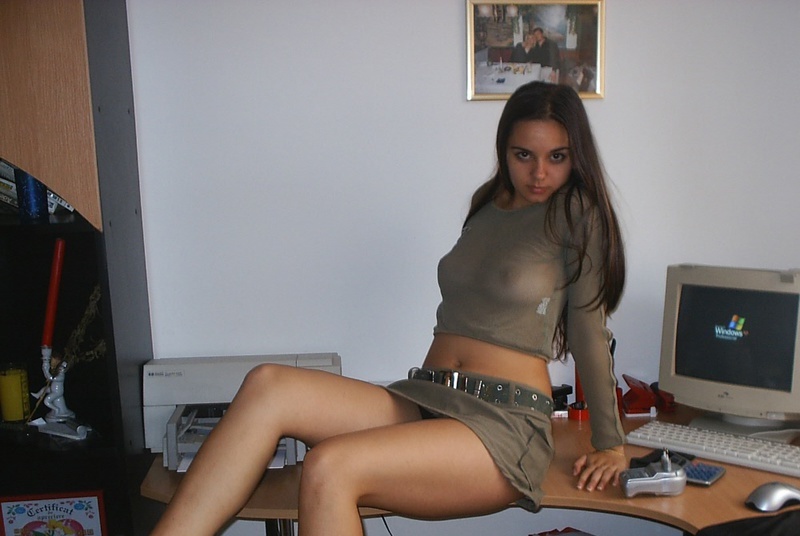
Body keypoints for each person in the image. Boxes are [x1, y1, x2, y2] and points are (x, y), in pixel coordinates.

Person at [150, 81, 627, 536]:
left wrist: (611, 444)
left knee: (330, 466)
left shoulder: (577, 215)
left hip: (503, 423)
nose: (539, 173)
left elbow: (588, 330)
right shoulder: (486, 207)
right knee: (267, 386)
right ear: (504, 150)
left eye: (557, 157)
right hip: (427, 398)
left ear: (575, 156)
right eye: (524, 155)